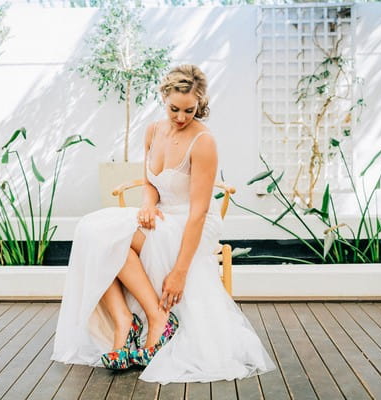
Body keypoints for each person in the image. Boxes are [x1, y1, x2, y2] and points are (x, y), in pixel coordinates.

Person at [51, 64, 277, 383]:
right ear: (163, 98)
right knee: (90, 229)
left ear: (199, 104)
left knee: (108, 240)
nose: (181, 117)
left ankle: (156, 319)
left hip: (191, 222)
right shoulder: (153, 131)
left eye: (189, 110)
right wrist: (146, 204)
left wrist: (179, 273)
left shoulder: (204, 142)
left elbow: (199, 212)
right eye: (174, 109)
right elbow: (149, 183)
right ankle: (125, 320)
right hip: (161, 215)